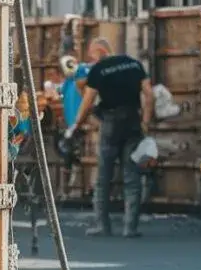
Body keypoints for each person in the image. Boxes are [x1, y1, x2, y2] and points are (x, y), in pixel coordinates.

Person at [66, 37, 154, 238]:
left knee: (104, 177)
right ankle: (130, 228)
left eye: (92, 54)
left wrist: (76, 125)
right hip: (133, 121)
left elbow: (88, 102)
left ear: (99, 51)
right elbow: (149, 95)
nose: (91, 59)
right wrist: (145, 122)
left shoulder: (99, 70)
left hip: (111, 123)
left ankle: (102, 226)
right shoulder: (134, 64)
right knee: (132, 176)